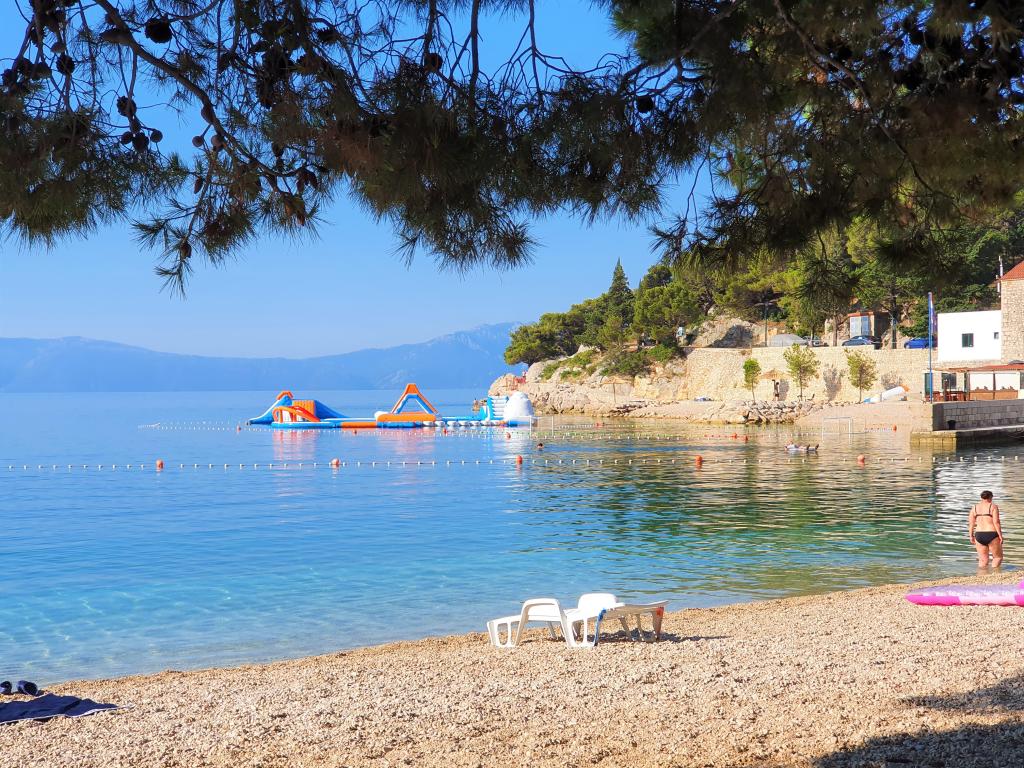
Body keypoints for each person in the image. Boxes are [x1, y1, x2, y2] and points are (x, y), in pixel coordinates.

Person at [969, 490, 1004, 569]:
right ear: (991, 497)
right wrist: (1000, 536)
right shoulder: (993, 506)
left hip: (979, 534)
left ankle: (982, 574)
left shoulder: (974, 507)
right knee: (997, 557)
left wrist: (971, 536)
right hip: (991, 533)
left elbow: (971, 523)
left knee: (983, 560)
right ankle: (995, 573)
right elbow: (996, 522)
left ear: (981, 498)